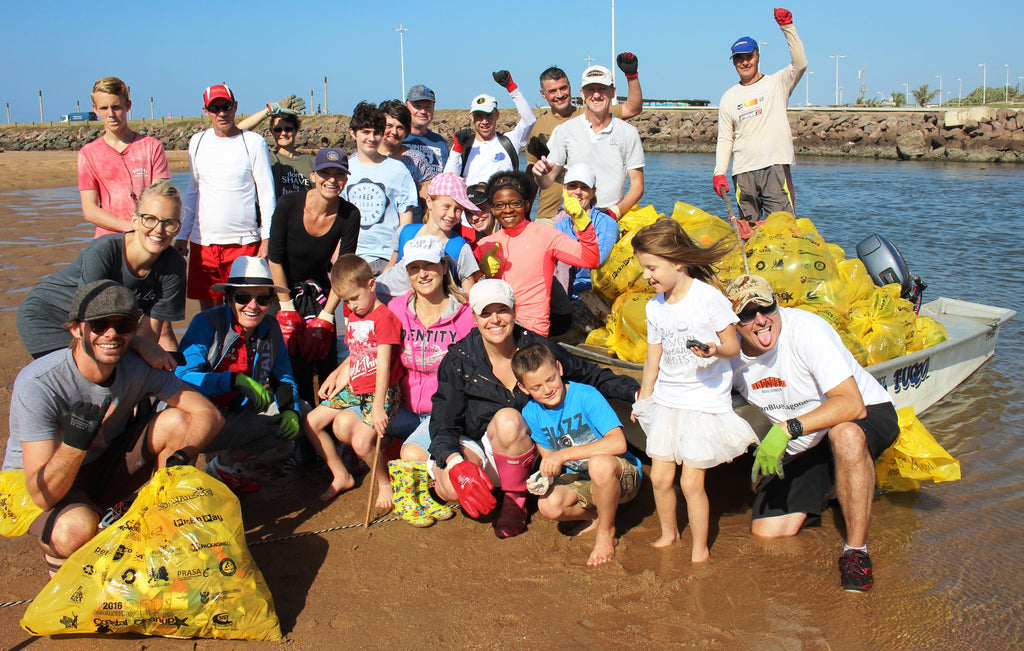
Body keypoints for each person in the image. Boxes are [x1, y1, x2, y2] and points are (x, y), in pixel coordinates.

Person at [3, 280, 223, 576]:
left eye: (122, 326)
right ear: (76, 329)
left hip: (102, 465)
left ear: (133, 332)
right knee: (73, 530)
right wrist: (74, 443)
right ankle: (64, 577)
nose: (111, 334)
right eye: (99, 324)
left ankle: (160, 517)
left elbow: (209, 414)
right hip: (37, 484)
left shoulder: (137, 367)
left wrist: (181, 459)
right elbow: (43, 495)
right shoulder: (39, 383)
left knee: (179, 421)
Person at [428, 279, 640, 539]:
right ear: (474, 317)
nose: (495, 320)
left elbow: (590, 375)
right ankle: (457, 482)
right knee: (451, 486)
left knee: (508, 419)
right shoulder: (459, 360)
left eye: (502, 310)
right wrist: (455, 462)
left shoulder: (537, 350)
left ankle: (515, 500)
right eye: (485, 313)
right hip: (481, 443)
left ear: (514, 310)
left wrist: (635, 392)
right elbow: (443, 421)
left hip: (524, 446)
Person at [726, 274, 898, 592]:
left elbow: (852, 405)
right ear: (733, 322)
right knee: (768, 532)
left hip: (863, 413)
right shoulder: (730, 356)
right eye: (747, 314)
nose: (761, 320)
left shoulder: (807, 330)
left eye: (766, 308)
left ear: (777, 304)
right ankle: (837, 484)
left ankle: (856, 552)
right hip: (806, 440)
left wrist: (786, 429)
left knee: (845, 436)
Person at [629, 218, 757, 563]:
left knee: (690, 483)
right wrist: (645, 397)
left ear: (677, 262)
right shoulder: (654, 307)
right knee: (660, 477)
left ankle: (700, 548)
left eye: (652, 268)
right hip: (668, 400)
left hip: (703, 401)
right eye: (644, 268)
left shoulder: (707, 298)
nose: (646, 276)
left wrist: (714, 350)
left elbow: (733, 346)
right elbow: (653, 358)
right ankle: (668, 533)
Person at [18, 180, 186, 368]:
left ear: (178, 228)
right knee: (90, 372)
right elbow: (88, 318)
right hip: (50, 317)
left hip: (104, 328)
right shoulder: (104, 251)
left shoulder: (174, 266)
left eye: (169, 223)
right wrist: (137, 344)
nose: (159, 230)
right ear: (135, 220)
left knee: (130, 370)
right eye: (150, 219)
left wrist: (142, 353)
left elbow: (148, 336)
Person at [175, 256, 304, 494]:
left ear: (271, 301)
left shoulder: (271, 329)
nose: (253, 306)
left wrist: (290, 410)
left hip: (234, 415)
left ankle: (222, 466)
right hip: (194, 418)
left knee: (300, 411)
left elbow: (284, 377)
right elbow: (182, 377)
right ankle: (182, 483)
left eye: (262, 299)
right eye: (243, 297)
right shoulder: (206, 323)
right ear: (228, 298)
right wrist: (233, 381)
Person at [512, 343, 642, 566]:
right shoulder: (531, 413)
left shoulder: (586, 395)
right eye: (536, 387)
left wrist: (563, 456)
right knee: (548, 505)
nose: (547, 389)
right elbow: (549, 457)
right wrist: (545, 476)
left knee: (599, 464)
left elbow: (618, 443)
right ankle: (597, 516)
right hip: (583, 476)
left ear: (560, 368)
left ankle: (606, 532)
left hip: (621, 475)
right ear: (523, 388)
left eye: (550, 379)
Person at [383, 236, 476, 526]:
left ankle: (414, 497)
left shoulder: (466, 314)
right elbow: (378, 350)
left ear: (443, 267)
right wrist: (344, 368)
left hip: (443, 411)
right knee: (355, 424)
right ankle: (385, 481)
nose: (422, 274)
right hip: (404, 406)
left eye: (429, 266)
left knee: (411, 452)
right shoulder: (397, 309)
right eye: (414, 268)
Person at [306, 255, 404, 504]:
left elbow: (383, 364)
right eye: (346, 301)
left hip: (381, 390)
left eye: (355, 298)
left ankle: (384, 482)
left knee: (361, 443)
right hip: (356, 383)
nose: (351, 305)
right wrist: (338, 378)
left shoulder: (384, 318)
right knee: (311, 421)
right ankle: (340, 474)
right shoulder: (355, 313)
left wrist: (379, 405)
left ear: (371, 285)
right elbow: (357, 353)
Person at [268, 147, 360, 404]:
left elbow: (342, 269)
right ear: (313, 176)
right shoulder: (288, 204)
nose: (332, 180)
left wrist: (327, 317)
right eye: (325, 173)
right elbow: (274, 258)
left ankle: (326, 419)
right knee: (291, 364)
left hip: (319, 290)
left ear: (346, 179)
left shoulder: (350, 214)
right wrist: (286, 308)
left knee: (325, 361)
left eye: (339, 174)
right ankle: (293, 414)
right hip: (282, 288)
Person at [176, 83, 277, 311]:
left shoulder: (253, 142)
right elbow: (192, 191)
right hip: (204, 244)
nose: (222, 113)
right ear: (206, 111)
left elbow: (266, 192)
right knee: (210, 314)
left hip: (244, 243)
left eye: (226, 107)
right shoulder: (197, 142)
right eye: (215, 108)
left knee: (247, 310)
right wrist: (182, 235)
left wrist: (267, 237)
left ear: (235, 107)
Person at [713, 8, 807, 236]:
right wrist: (719, 172)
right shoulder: (728, 97)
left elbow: (801, 63)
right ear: (733, 62)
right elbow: (725, 139)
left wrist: (787, 27)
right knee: (749, 233)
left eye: (749, 56)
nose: (745, 62)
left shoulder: (777, 83)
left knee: (783, 230)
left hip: (775, 166)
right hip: (743, 172)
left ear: (757, 57)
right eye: (739, 58)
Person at [476, 170, 599, 337]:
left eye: (514, 203)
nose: (508, 210)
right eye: (500, 205)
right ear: (492, 209)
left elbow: (590, 259)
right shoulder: (485, 245)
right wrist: (480, 273)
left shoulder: (546, 235)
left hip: (532, 331)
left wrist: (582, 222)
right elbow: (466, 291)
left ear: (526, 205)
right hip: (496, 329)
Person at [527, 55, 644, 223]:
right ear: (582, 93)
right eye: (591, 89)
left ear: (613, 92)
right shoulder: (565, 129)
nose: (596, 95)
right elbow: (546, 181)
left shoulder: (628, 132)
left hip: (611, 217)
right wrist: (539, 175)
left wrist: (613, 213)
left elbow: (638, 185)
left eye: (602, 89)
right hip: (568, 217)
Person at [78, 76, 171, 237]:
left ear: (128, 106)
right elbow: (90, 210)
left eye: (116, 107)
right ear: (95, 109)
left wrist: (145, 230)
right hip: (109, 239)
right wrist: (132, 228)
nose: (111, 114)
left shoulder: (152, 147)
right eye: (104, 108)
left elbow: (160, 199)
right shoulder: (88, 154)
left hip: (147, 238)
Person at [375, 172, 481, 302]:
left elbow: (468, 294)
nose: (452, 214)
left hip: (420, 309)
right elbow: (390, 267)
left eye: (458, 209)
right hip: (382, 301)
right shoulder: (405, 232)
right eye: (446, 207)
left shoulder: (460, 248)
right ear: (429, 202)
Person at [341, 101, 418, 275]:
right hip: (351, 257)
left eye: (376, 132)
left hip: (386, 257)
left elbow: (406, 224)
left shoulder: (398, 170)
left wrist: (395, 262)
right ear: (353, 133)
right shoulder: (344, 170)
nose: (372, 138)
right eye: (365, 132)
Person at [443, 71, 537, 186]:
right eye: (479, 116)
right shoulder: (463, 148)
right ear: (471, 117)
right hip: (471, 197)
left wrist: (511, 87)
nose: (484, 121)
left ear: (497, 115)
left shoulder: (510, 141)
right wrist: (457, 148)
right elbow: (448, 181)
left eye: (489, 115)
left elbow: (529, 120)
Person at [234, 93, 311, 198]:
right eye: (278, 129)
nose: (283, 133)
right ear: (272, 132)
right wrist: (270, 110)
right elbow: (236, 134)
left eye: (288, 129)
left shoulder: (310, 162)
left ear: (295, 130)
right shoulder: (266, 159)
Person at [378, 99, 437, 219]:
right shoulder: (364, 158)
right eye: (389, 126)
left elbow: (429, 201)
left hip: (411, 225)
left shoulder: (415, 160)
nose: (394, 132)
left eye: (400, 127)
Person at [403, 84, 449, 175]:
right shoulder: (398, 139)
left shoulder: (440, 142)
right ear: (406, 106)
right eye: (417, 106)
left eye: (427, 107)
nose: (423, 111)